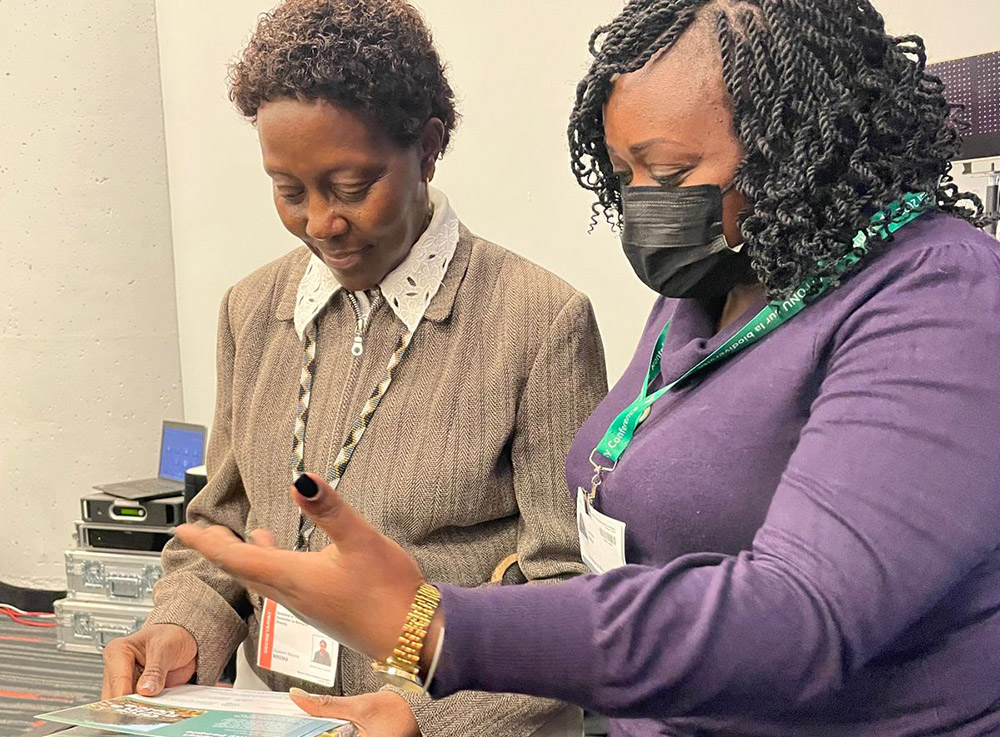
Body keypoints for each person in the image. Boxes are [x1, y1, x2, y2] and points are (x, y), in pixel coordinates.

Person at [176, 1, 1000, 736]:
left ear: (798, 144)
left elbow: (804, 616)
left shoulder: (942, 296)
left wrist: (436, 626)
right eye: (624, 173)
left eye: (669, 173)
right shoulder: (712, 288)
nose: (642, 203)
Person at [101, 2, 608, 736]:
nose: (321, 223)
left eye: (351, 186)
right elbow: (223, 524)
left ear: (428, 149)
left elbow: (571, 593)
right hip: (278, 719)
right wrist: (180, 632)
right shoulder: (252, 309)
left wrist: (425, 716)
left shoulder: (539, 321)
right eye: (289, 190)